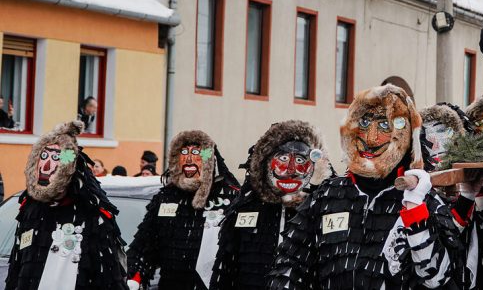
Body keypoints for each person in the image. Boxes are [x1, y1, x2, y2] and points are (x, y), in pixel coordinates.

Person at [267, 84, 461, 289]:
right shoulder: (328, 195)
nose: (371, 138)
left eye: (385, 126)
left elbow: (437, 279)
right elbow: (290, 264)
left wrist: (415, 212)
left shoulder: (423, 199)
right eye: (365, 123)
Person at [4, 120, 127, 289]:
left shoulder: (91, 215)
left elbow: (109, 279)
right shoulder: (30, 210)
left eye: (55, 157)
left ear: (66, 166)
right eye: (44, 156)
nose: (46, 165)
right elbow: (16, 268)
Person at [209, 121, 331, 290]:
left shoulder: (322, 209)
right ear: (266, 162)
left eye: (300, 159)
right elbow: (225, 269)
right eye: (283, 158)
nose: (291, 169)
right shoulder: (245, 207)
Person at [126, 130, 240, 290]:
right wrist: (134, 276)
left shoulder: (231, 197)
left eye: (196, 153)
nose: (189, 159)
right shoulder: (166, 197)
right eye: (184, 153)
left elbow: (245, 251)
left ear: (209, 160)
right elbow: (144, 245)